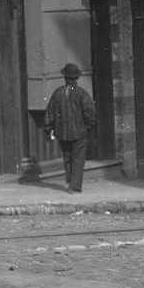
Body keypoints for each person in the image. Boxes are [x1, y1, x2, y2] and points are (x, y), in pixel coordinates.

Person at [45, 63, 97, 193]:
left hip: (62, 132)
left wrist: (48, 129)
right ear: (76, 79)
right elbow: (90, 112)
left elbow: (49, 114)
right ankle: (74, 186)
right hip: (79, 131)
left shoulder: (57, 94)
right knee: (78, 158)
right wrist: (88, 126)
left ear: (65, 78)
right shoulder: (81, 94)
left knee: (67, 157)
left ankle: (70, 181)